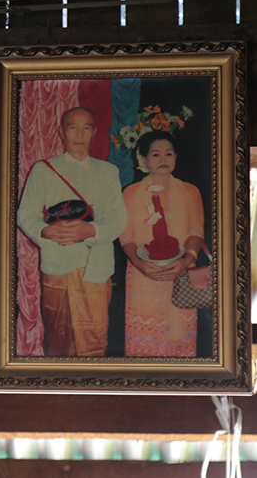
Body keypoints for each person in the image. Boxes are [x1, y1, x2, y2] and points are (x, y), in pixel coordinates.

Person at [17, 106, 127, 357]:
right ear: (61, 132)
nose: (79, 133)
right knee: (58, 336)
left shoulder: (108, 172)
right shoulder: (43, 169)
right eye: (72, 127)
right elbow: (26, 215)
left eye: (86, 127)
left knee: (95, 337)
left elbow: (118, 219)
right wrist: (46, 232)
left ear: (94, 132)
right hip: (58, 263)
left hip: (96, 267)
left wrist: (90, 230)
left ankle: (91, 390)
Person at [119, 130, 204, 356]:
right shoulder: (130, 193)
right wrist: (139, 263)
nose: (163, 159)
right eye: (155, 155)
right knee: (144, 343)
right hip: (142, 275)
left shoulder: (190, 191)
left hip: (181, 275)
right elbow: (126, 236)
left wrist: (187, 260)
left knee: (179, 338)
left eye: (168, 153)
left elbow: (196, 232)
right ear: (144, 160)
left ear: (176, 157)